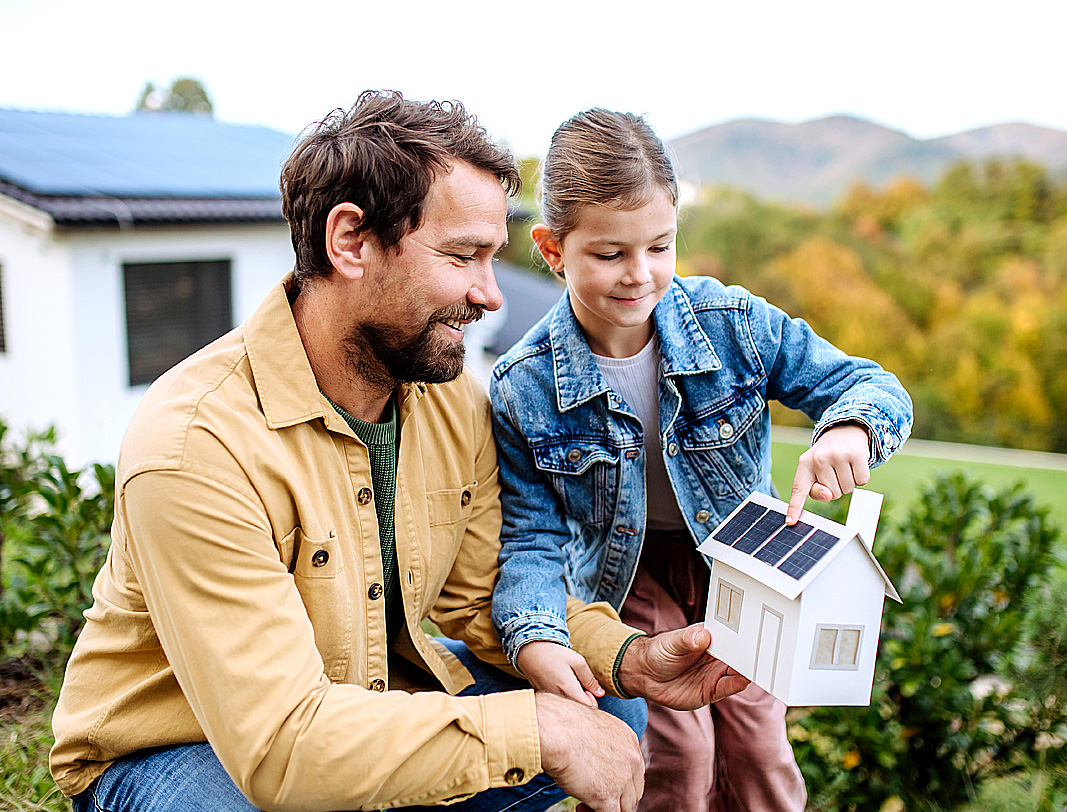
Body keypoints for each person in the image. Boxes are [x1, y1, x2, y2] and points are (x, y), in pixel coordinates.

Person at [48, 92, 749, 812]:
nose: (490, 296)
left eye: (492, 258)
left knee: (603, 705)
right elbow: (281, 746)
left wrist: (626, 656)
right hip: (184, 747)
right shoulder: (195, 443)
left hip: (363, 699)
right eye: (461, 257)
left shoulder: (448, 399)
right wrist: (534, 731)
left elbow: (482, 595)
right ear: (349, 240)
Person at [489, 108, 914, 811]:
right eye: (609, 254)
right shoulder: (524, 385)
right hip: (624, 579)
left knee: (759, 753)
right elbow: (530, 538)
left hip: (741, 562)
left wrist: (849, 431)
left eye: (659, 247)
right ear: (551, 247)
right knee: (677, 758)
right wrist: (535, 634)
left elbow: (867, 385)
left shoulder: (734, 324)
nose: (639, 274)